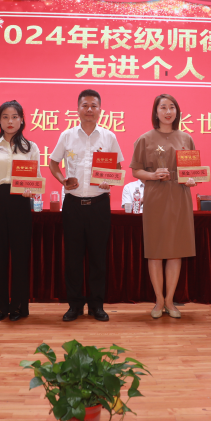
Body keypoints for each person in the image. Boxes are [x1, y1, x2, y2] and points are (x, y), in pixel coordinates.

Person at [49, 89, 123, 323]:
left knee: (98, 258)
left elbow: (118, 168)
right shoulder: (67, 135)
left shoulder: (108, 137)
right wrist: (62, 180)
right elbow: (53, 163)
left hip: (99, 204)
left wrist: (110, 180)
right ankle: (75, 305)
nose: (89, 110)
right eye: (85, 105)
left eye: (93, 106)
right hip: (73, 204)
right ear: (78, 109)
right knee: (73, 258)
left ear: (100, 110)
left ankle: (97, 305)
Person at [130, 94, 196, 319]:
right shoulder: (144, 139)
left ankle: (170, 301)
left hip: (180, 196)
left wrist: (192, 179)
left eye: (172, 107)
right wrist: (152, 175)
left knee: (176, 252)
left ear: (177, 111)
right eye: (163, 107)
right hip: (155, 197)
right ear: (156, 112)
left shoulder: (186, 138)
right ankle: (158, 300)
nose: (168, 112)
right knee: (156, 251)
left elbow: (192, 170)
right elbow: (136, 170)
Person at [0, 100, 38, 322]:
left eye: (14, 117)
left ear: (22, 120)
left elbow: (36, 179)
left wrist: (32, 189)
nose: (10, 121)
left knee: (21, 256)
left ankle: (19, 306)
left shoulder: (31, 148)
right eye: (5, 117)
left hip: (21, 203)